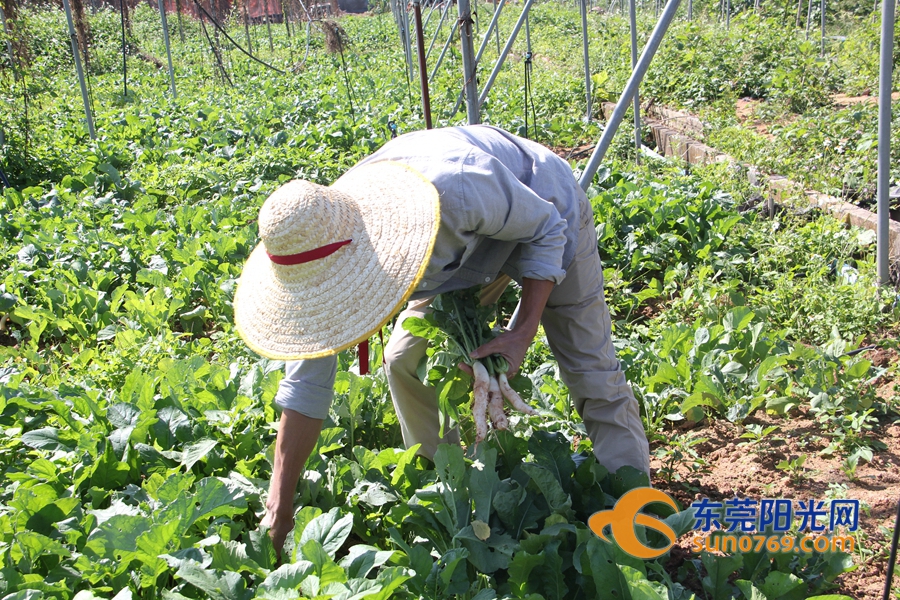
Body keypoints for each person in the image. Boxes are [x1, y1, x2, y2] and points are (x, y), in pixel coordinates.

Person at [233, 125, 650, 554]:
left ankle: (637, 518)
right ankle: (451, 488)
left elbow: (545, 226)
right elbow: (305, 390)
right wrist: (279, 504)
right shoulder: (314, 248)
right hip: (456, 258)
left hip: (546, 210)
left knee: (589, 369)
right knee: (401, 360)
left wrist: (522, 331)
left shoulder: (458, 188)